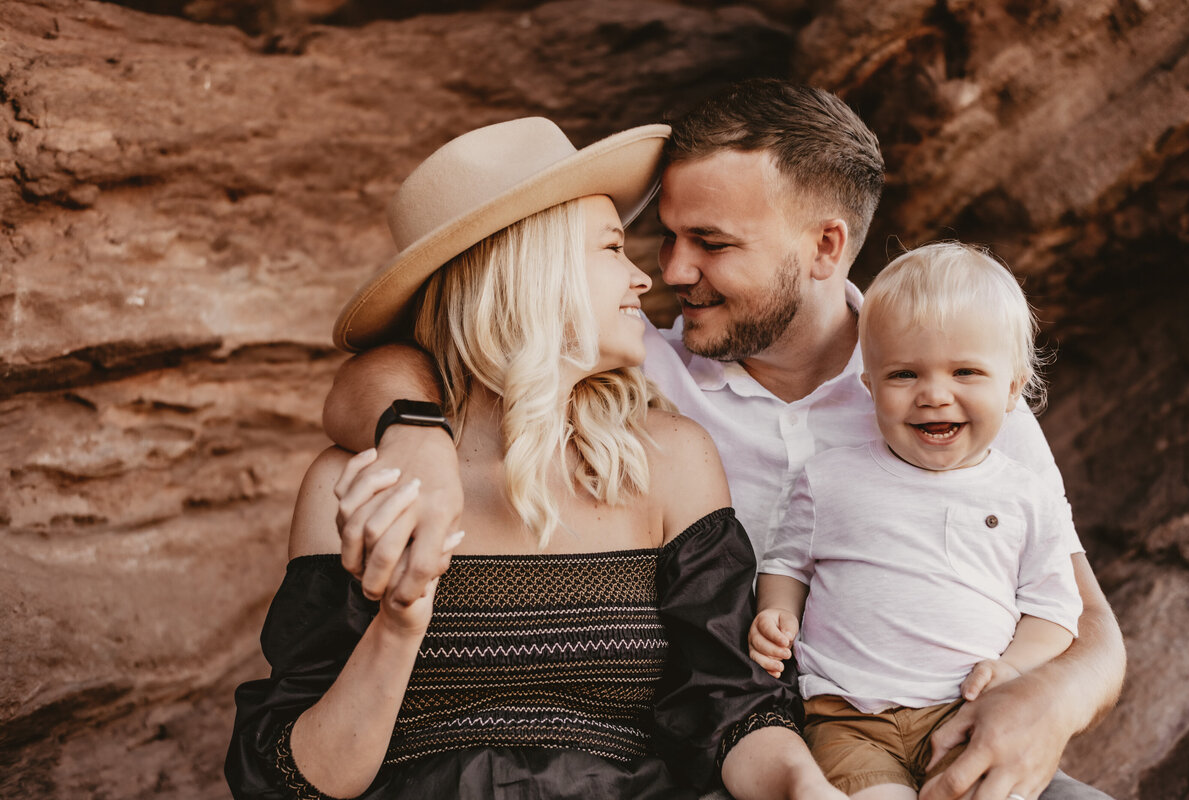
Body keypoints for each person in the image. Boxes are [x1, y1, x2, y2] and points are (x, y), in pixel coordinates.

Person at [321, 79, 1125, 800]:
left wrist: (1042, 703)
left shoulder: (943, 397)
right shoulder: (642, 377)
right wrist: (413, 436)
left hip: (939, 724)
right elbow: (401, 362)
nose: (672, 269)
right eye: (664, 237)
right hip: (745, 750)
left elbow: (1082, 619)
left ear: (825, 246)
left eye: (711, 242)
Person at [226, 116, 842, 799]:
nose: (645, 278)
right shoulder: (359, 485)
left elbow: (731, 709)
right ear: (528, 269)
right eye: (613, 247)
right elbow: (288, 782)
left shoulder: (670, 460)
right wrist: (399, 626)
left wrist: (802, 787)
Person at [749, 242, 1084, 798]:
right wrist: (776, 612)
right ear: (870, 387)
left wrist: (1013, 669)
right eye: (904, 373)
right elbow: (788, 562)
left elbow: (1054, 610)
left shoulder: (1028, 496)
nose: (934, 394)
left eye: (965, 371)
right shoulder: (829, 479)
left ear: (1011, 389)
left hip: (967, 712)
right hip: (848, 716)